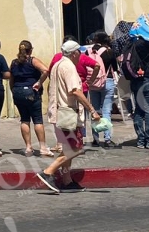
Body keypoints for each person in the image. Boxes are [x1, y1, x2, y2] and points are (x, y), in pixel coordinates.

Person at [36, 40, 102, 193]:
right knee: (75, 148)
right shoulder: (69, 67)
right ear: (75, 53)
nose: (80, 55)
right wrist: (92, 110)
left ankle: (67, 180)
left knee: (67, 147)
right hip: (68, 114)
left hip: (59, 112)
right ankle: (48, 172)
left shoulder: (58, 64)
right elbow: (75, 91)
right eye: (79, 52)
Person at [9, 40, 51, 157]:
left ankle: (28, 147)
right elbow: (46, 70)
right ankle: (43, 147)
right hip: (31, 92)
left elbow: (11, 80)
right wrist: (39, 82)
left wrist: (14, 90)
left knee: (24, 119)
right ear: (30, 50)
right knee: (37, 119)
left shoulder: (14, 63)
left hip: (18, 91)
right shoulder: (32, 60)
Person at [126, 35, 149, 149]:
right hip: (148, 79)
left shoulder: (131, 44)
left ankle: (141, 140)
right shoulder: (148, 44)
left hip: (135, 81)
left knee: (138, 110)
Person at [87, 33, 119, 148]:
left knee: (94, 110)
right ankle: (107, 139)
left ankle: (95, 139)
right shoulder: (109, 52)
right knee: (106, 111)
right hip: (107, 81)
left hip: (93, 83)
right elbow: (115, 68)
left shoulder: (89, 51)